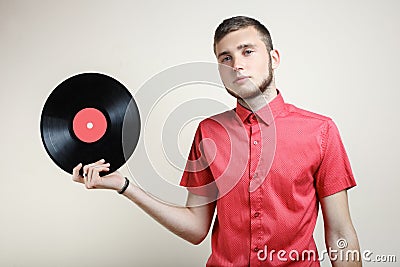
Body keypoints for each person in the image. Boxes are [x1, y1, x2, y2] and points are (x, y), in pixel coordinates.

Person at [72, 16, 362, 266]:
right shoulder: (208, 132)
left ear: (273, 58)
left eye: (248, 51)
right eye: (226, 58)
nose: (237, 65)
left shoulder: (320, 131)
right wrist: (124, 186)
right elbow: (196, 228)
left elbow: (339, 232)